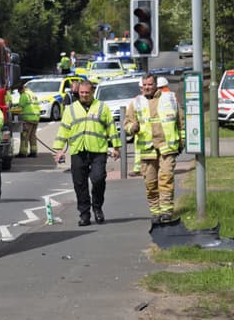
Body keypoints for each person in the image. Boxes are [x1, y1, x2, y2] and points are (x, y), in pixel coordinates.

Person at [53, 80, 120, 226]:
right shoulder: (70, 109)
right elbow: (63, 129)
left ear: (92, 92)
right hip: (78, 150)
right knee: (80, 183)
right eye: (81, 93)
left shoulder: (102, 107)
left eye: (87, 93)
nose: (84, 95)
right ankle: (84, 214)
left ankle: (97, 208)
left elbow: (111, 128)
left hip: (98, 150)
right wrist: (59, 150)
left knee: (98, 179)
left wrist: (116, 147)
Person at [124, 74, 185, 224]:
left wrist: (182, 142)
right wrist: (132, 127)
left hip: (167, 147)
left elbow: (181, 122)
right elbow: (126, 125)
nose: (147, 87)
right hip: (147, 150)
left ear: (156, 85)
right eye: (144, 84)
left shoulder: (170, 99)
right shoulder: (135, 103)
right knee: (150, 184)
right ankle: (155, 212)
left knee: (166, 179)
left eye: (150, 84)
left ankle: (166, 212)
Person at [13, 80, 41, 157]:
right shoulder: (32, 94)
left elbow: (20, 107)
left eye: (19, 92)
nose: (19, 93)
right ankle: (33, 152)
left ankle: (23, 153)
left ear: (21, 89)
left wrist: (12, 110)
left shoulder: (24, 95)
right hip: (35, 118)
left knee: (24, 136)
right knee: (32, 136)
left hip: (28, 118)